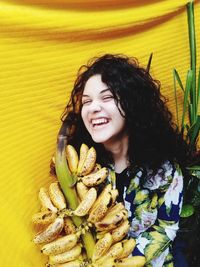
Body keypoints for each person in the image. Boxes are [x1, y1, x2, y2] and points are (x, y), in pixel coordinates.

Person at [60, 54, 190, 266]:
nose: (93, 108)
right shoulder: (81, 171)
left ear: (131, 103)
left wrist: (115, 261)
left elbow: (165, 228)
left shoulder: (164, 168)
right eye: (86, 101)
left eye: (107, 97)